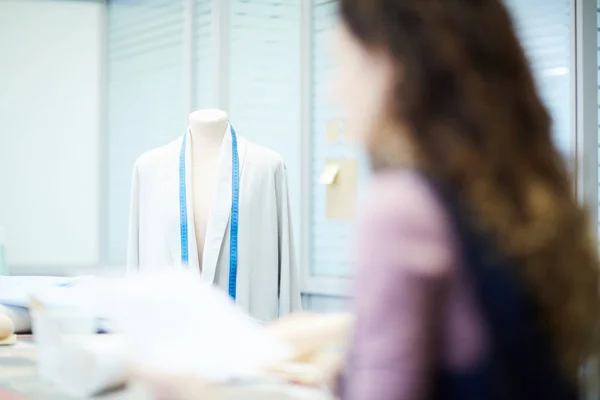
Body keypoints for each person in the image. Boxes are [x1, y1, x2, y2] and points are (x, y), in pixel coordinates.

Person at [270, 0, 600, 399]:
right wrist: (343, 353)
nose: (335, 90)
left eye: (344, 62)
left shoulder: (400, 208)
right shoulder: (527, 199)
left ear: (393, 65)